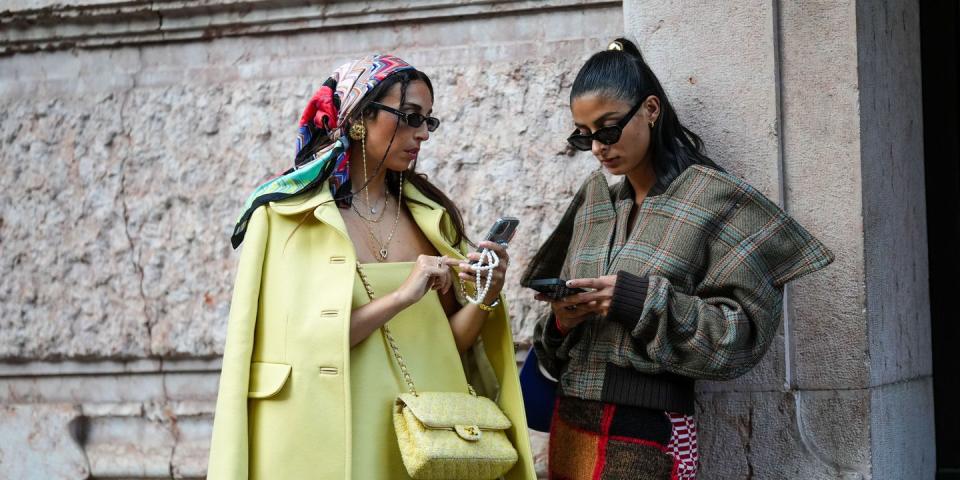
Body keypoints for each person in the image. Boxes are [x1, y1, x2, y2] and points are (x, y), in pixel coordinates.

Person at [208, 54, 535, 479]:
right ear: (360, 116)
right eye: (410, 117)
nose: (422, 134)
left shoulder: (431, 217)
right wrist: (401, 296)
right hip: (332, 437)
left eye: (428, 122)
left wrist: (487, 294)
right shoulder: (284, 217)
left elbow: (450, 344)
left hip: (428, 440)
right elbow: (304, 349)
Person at [522, 38, 834, 479]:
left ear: (651, 110)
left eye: (608, 129)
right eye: (584, 135)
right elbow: (550, 348)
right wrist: (562, 321)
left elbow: (739, 341)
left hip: (650, 436)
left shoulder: (712, 198)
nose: (597, 147)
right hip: (570, 429)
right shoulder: (593, 200)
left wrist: (635, 300)